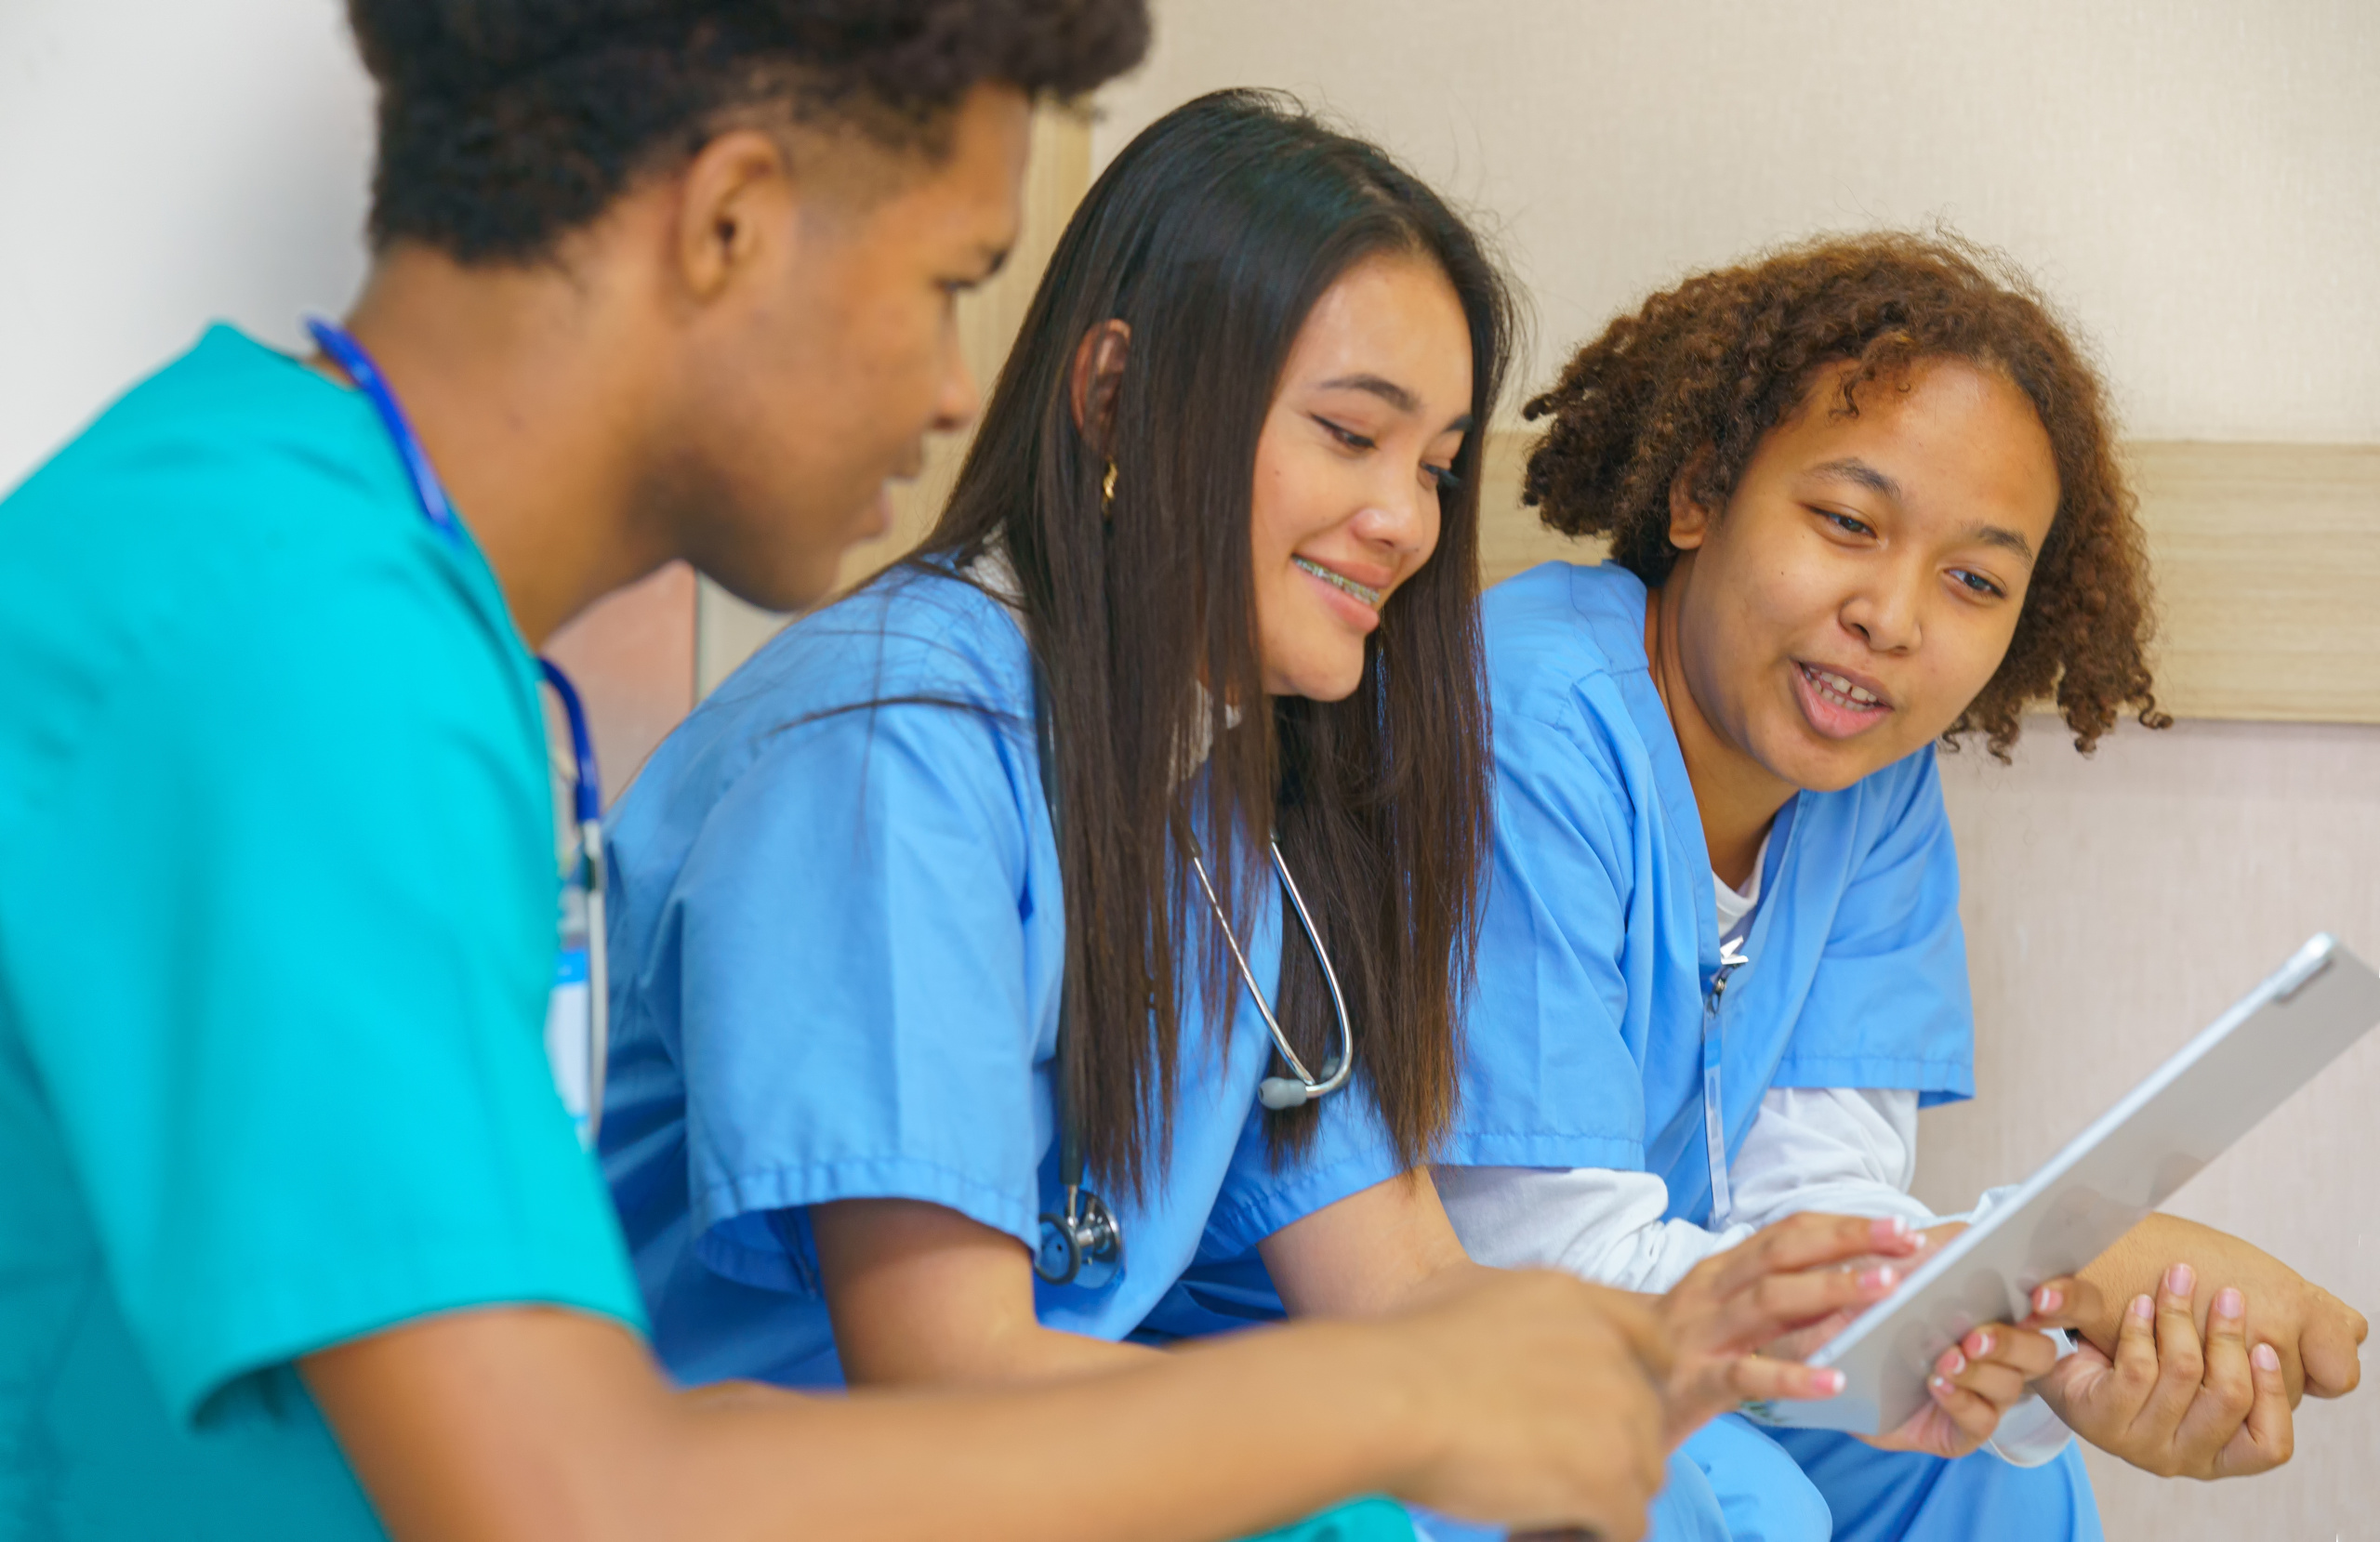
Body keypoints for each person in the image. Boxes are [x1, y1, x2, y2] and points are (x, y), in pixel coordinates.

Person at [0, 8, 1711, 1540]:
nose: (964, 381)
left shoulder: (348, 596)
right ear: (730, 219)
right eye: (949, 280)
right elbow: (580, 1500)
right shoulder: (285, 647)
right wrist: (1396, 1410)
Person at [596, 93, 2053, 1542]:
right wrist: (1422, 1423)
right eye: (1351, 437)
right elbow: (944, 1383)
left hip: (1070, 1443)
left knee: (1711, 1498)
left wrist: (1684, 1352)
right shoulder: (890, 756)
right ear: (1115, 397)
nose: (1406, 523)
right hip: (822, 1487)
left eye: (1431, 468)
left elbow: (1404, 1280)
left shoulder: (1217, 791)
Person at [1432, 231, 2370, 1542]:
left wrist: (2040, 1346)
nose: (1894, 614)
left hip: (1685, 1336)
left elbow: (1826, 1211)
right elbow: (1536, 1257)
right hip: (1445, 1345)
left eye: (1974, 580)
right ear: (1699, 493)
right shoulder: (1529, 719)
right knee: (1736, 1501)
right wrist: (2067, 1269)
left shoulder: (1871, 788)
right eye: (1847, 523)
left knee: (2001, 1472)